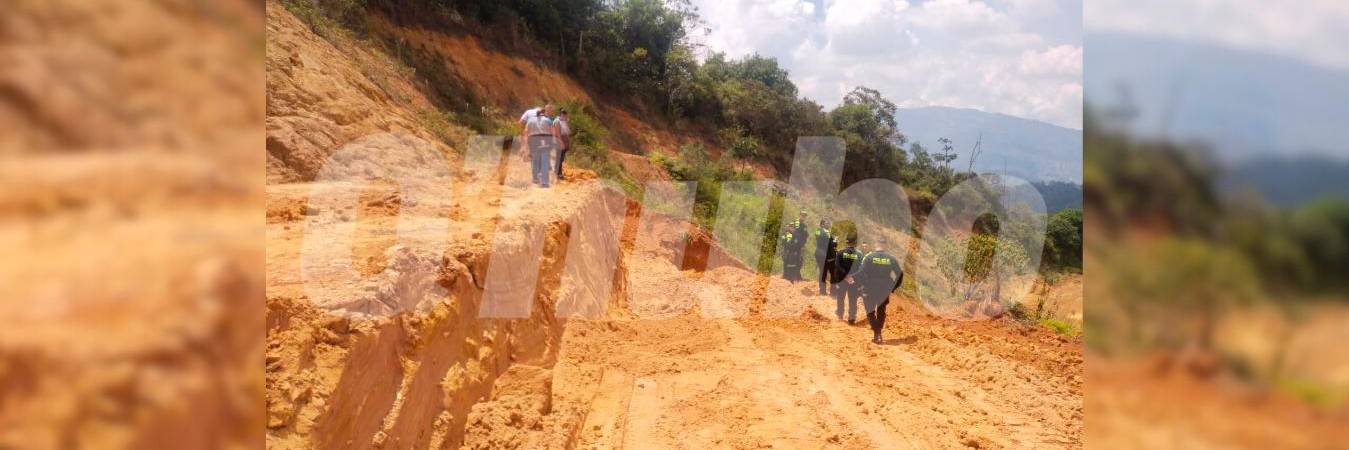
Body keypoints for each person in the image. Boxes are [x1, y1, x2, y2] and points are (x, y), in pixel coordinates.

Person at [850, 237, 903, 344]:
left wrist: (851, 277)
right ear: (886, 245)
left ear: (876, 244)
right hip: (884, 288)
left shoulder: (869, 257)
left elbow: (861, 272)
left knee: (870, 312)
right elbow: (900, 274)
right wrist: (894, 287)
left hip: (870, 288)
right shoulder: (891, 258)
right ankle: (878, 334)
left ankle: (877, 333)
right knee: (881, 311)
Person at [520, 105, 557, 188]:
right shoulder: (548, 120)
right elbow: (552, 132)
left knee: (534, 160)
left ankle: (535, 179)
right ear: (543, 113)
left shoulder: (530, 121)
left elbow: (526, 133)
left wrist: (526, 145)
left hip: (533, 140)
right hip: (545, 140)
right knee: (544, 160)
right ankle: (544, 182)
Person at [830, 235, 863, 324]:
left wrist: (845, 276)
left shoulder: (840, 252)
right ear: (855, 243)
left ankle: (840, 314)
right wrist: (852, 276)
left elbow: (837, 265)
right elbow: (861, 268)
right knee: (852, 299)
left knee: (840, 297)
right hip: (853, 281)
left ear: (846, 242)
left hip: (842, 279)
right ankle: (851, 318)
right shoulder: (859, 254)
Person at [813, 218, 837, 295]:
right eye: (827, 223)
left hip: (818, 253)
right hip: (825, 255)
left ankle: (822, 290)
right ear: (822, 224)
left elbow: (818, 236)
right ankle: (832, 291)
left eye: (829, 223)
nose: (829, 224)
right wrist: (835, 240)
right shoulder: (827, 233)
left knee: (822, 271)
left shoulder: (818, 231)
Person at [783, 210, 808, 281]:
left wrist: (803, 245)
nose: (803, 217)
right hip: (791, 243)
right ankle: (786, 275)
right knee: (787, 257)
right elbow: (787, 228)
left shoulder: (804, 226)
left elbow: (805, 236)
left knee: (799, 260)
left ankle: (796, 274)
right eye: (802, 215)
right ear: (799, 215)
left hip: (799, 245)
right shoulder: (795, 222)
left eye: (805, 216)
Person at [553, 108, 572, 181]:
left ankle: (557, 171)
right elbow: (557, 133)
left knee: (561, 157)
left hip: (564, 139)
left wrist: (567, 122)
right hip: (560, 140)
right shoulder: (557, 121)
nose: (566, 116)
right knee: (559, 157)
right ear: (561, 114)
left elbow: (568, 131)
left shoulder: (563, 121)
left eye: (566, 115)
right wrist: (561, 142)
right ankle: (559, 174)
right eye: (565, 115)